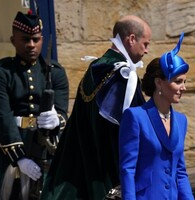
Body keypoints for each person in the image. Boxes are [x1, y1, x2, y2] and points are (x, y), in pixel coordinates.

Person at [41, 15, 152, 200]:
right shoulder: (124, 78)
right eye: (145, 44)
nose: (147, 51)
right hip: (110, 180)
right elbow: (133, 135)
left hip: (85, 177)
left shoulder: (95, 68)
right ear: (131, 39)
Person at [0, 10, 69, 200]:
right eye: (25, 39)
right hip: (12, 147)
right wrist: (19, 158)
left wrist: (56, 120)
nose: (31, 44)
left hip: (45, 145)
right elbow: (1, 117)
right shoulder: (1, 72)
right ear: (13, 40)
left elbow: (63, 113)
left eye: (36, 39)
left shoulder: (55, 72)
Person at [119, 32, 195, 200]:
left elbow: (180, 172)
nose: (183, 88)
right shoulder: (135, 117)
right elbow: (127, 170)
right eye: (178, 81)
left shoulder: (181, 121)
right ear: (159, 82)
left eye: (184, 82)